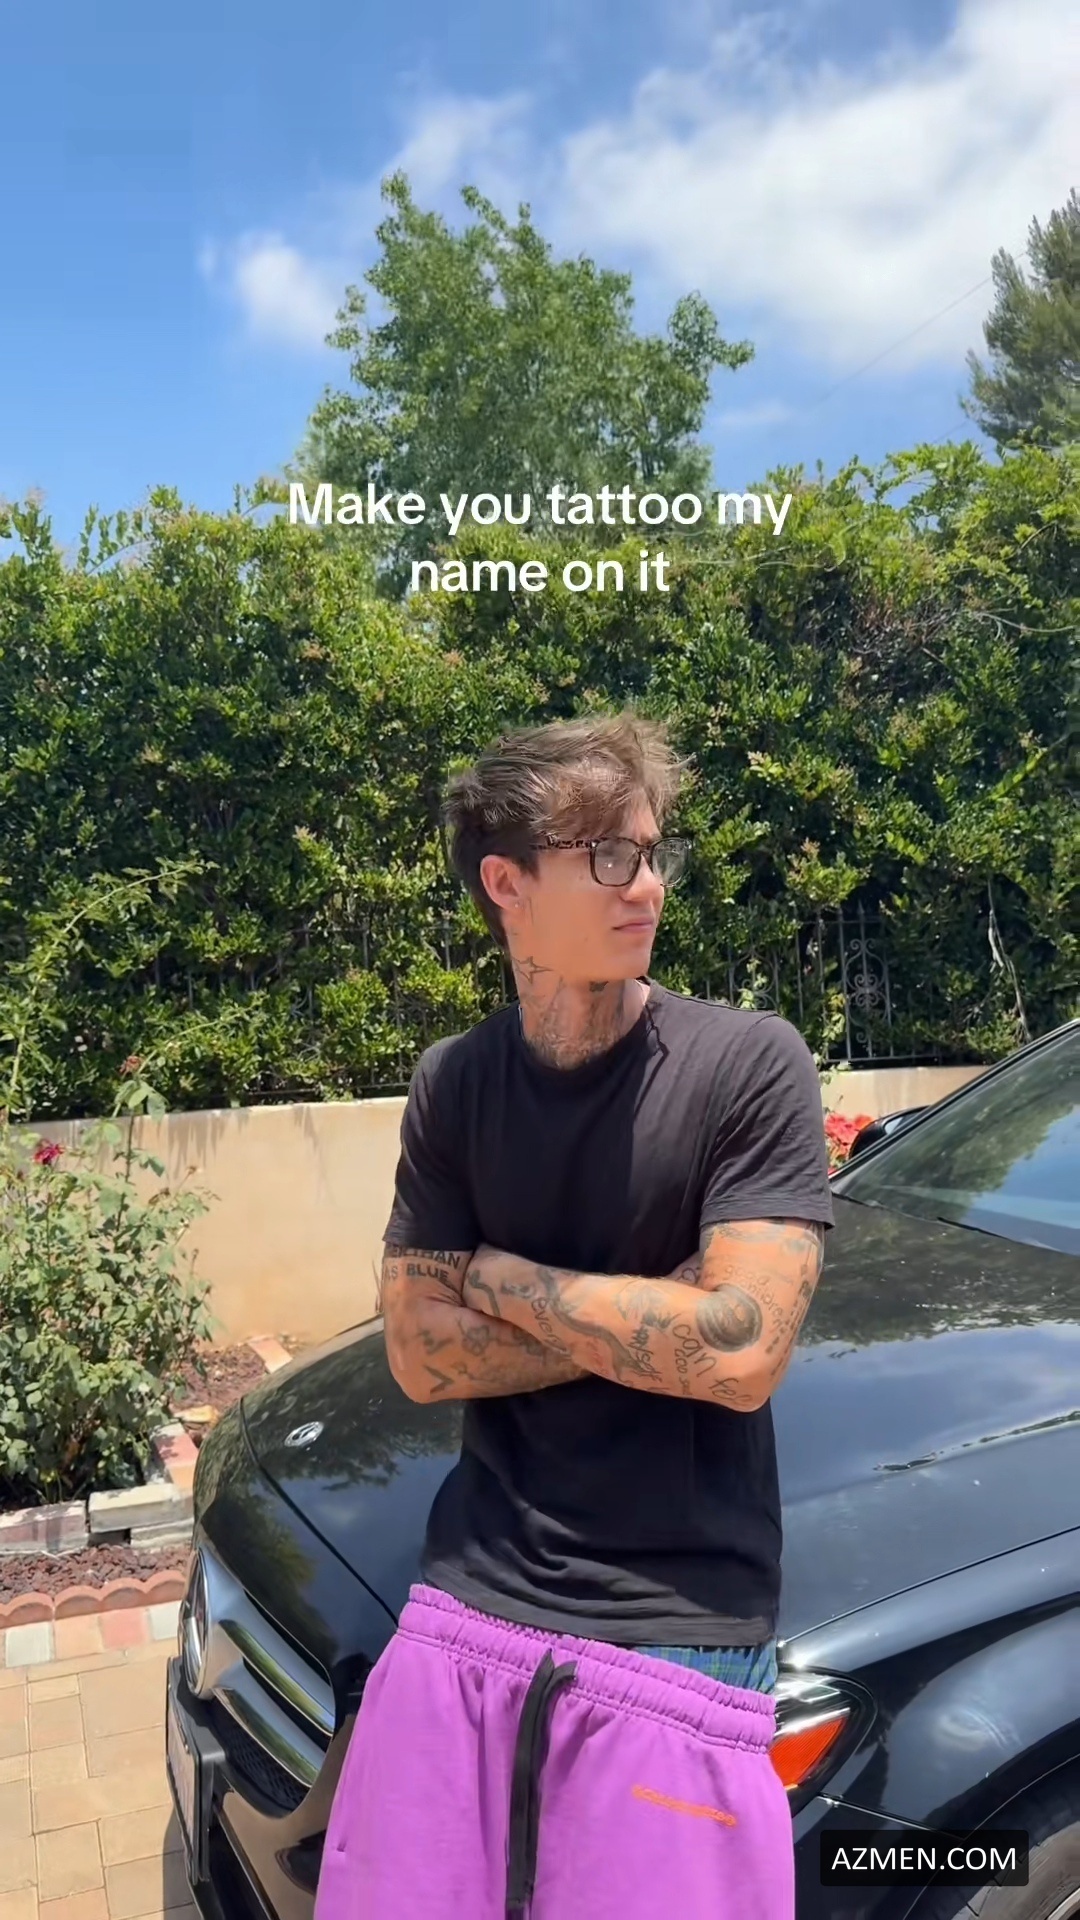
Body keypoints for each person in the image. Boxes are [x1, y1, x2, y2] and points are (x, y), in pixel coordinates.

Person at [315, 713, 834, 1920]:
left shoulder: (747, 1064)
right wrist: (657, 1318)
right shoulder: (454, 1082)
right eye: (606, 855)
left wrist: (497, 1276)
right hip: (469, 1600)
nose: (646, 884)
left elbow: (741, 1350)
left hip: (678, 1626)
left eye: (653, 852)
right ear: (506, 884)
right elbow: (418, 1357)